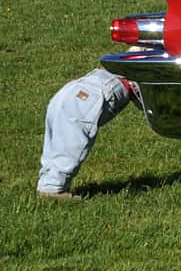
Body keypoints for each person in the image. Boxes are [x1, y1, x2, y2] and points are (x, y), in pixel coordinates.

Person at [37, 68, 134, 199]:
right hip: (93, 94)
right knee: (72, 142)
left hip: (74, 88)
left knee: (56, 139)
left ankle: (47, 183)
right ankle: (52, 189)